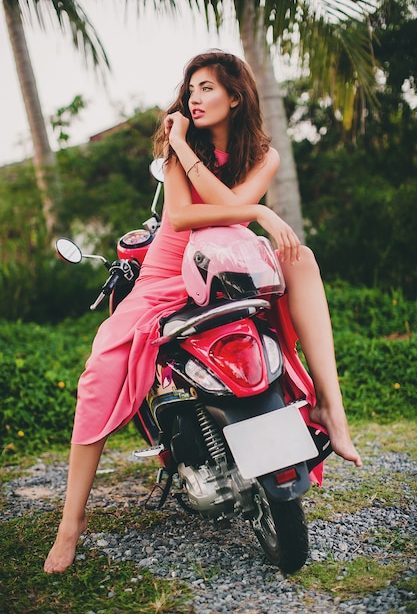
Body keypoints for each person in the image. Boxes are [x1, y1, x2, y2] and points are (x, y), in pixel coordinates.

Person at [44, 50, 361, 574]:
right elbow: (188, 214)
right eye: (191, 87)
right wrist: (240, 197)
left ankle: (332, 408)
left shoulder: (264, 154)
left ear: (236, 97)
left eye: (208, 87)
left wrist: (240, 197)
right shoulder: (177, 150)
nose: (194, 96)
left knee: (302, 259)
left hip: (227, 265)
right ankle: (70, 525)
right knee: (98, 374)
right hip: (169, 272)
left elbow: (233, 201)